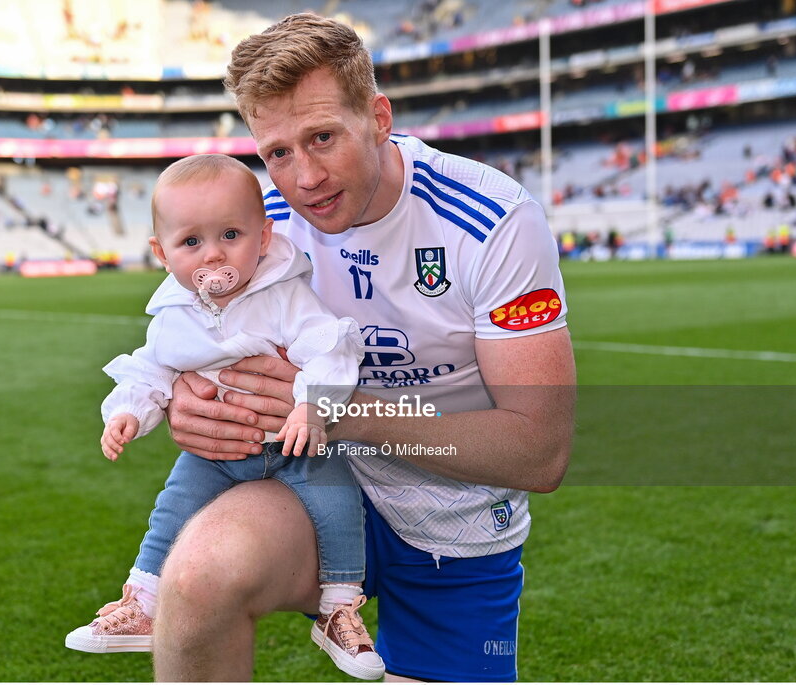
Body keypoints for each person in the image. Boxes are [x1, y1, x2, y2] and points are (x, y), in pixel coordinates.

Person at [86, 13, 574, 682]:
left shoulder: (492, 222)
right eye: (278, 153)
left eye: (322, 138)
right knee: (196, 576)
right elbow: (187, 346)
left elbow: (540, 450)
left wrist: (341, 411)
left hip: (452, 518)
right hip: (306, 482)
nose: (305, 177)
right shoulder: (253, 226)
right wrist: (183, 401)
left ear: (377, 117)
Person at [65, 154, 383, 679]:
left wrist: (311, 406)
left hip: (292, 444)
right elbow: (151, 370)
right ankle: (143, 601)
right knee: (172, 508)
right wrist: (127, 412)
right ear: (162, 254)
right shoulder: (172, 315)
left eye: (231, 235)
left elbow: (331, 348)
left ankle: (339, 608)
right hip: (215, 455)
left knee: (338, 502)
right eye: (191, 242)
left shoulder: (284, 294)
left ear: (264, 237)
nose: (213, 253)